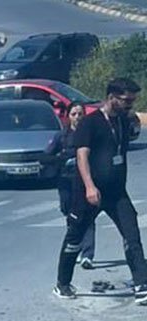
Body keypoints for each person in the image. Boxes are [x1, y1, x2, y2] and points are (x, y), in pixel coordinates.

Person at [54, 77, 147, 305]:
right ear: (112, 98)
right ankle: (63, 283)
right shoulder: (90, 123)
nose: (130, 105)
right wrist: (89, 187)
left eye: (132, 101)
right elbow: (82, 156)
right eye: (126, 100)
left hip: (116, 193)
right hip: (90, 193)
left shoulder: (123, 121)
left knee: (132, 236)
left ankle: (142, 286)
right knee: (74, 238)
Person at [57, 102, 96, 269]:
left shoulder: (90, 134)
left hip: (84, 183)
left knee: (87, 217)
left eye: (80, 114)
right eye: (74, 114)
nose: (77, 117)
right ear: (68, 116)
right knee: (71, 217)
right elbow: (47, 154)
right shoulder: (62, 136)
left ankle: (87, 255)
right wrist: (60, 159)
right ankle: (74, 248)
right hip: (66, 182)